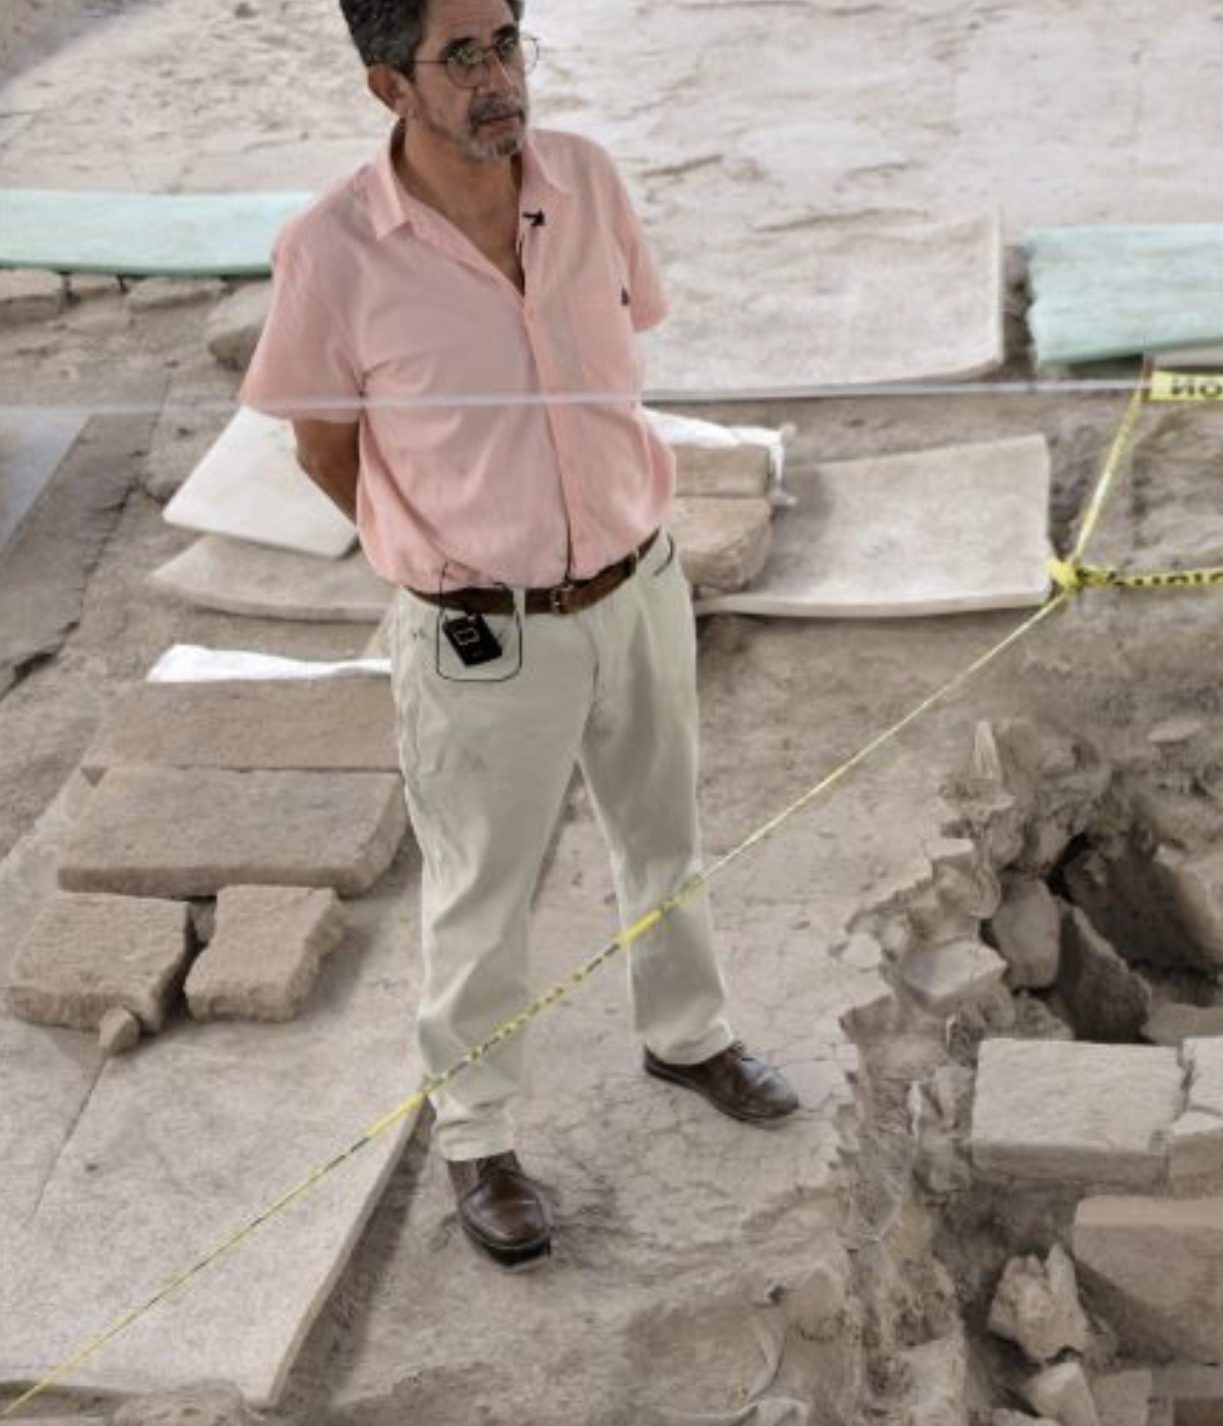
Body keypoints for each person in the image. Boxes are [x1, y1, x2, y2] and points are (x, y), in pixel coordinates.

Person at [239, 0, 798, 1268]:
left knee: (665, 832)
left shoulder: (586, 183)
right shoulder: (330, 252)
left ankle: (689, 1036)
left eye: (508, 45)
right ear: (390, 85)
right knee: (483, 892)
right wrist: (434, 552)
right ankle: (478, 1139)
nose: (499, 79)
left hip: (639, 584)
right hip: (479, 634)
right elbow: (324, 441)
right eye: (463, 57)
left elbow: (621, 352)